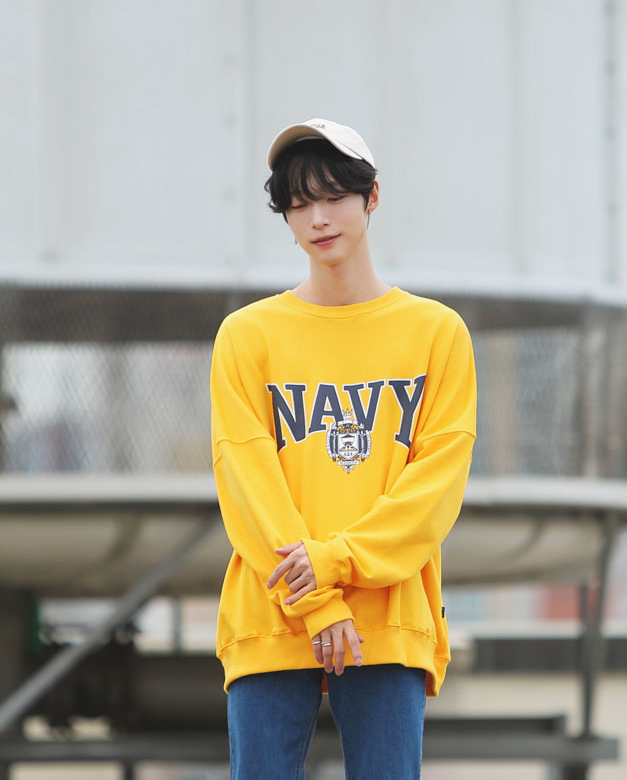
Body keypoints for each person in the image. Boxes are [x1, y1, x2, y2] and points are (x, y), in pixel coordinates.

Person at [210, 118, 477, 780]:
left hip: (388, 615)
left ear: (372, 197)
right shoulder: (247, 336)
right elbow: (248, 484)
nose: (318, 218)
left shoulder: (436, 334)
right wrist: (319, 602)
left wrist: (335, 562)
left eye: (333, 197)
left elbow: (433, 488)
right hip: (274, 616)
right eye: (299, 203)